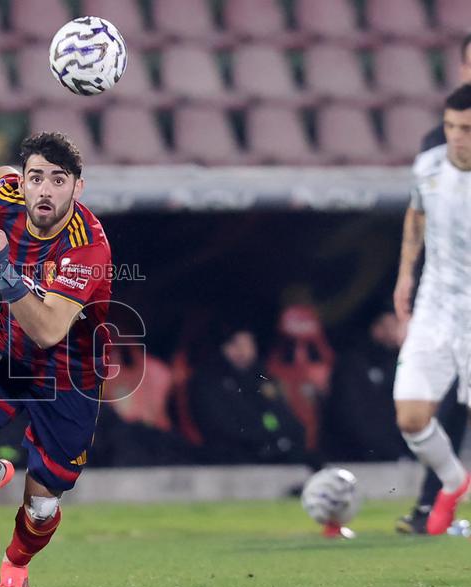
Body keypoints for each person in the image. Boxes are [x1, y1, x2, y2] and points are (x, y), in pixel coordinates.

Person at [0, 132, 112, 587]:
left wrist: (0, 268)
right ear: (26, 183)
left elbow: (49, 330)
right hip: (10, 352)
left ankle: (15, 565)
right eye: (37, 178)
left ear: (78, 187)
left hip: (68, 375)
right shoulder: (11, 193)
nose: (45, 190)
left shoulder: (87, 247)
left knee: (40, 508)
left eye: (59, 180)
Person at [395, 34, 471, 534]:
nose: (457, 138)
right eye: (451, 128)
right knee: (411, 417)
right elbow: (416, 213)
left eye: (464, 129)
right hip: (438, 305)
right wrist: (405, 272)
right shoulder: (430, 163)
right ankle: (451, 482)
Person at [189, 325, 308, 465]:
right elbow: (219, 427)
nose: (242, 351)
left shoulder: (262, 379)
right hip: (231, 457)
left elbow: (278, 418)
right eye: (235, 344)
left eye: (248, 344)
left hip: (270, 452)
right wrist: (260, 435)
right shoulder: (208, 381)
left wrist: (274, 434)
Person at [325, 307, 409, 461]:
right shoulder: (353, 364)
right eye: (391, 326)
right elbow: (353, 416)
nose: (397, 332)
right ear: (376, 328)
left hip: (396, 454)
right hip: (358, 458)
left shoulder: (402, 363)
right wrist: (390, 452)